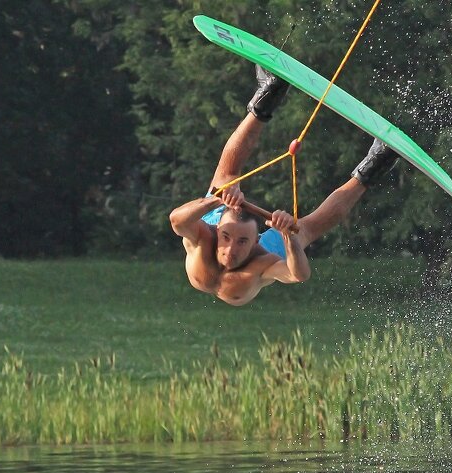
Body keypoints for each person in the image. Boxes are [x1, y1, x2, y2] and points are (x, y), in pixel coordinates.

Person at [169, 67, 398, 306]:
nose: (230, 250)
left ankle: (269, 92)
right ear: (217, 231)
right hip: (221, 214)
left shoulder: (261, 261)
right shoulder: (205, 237)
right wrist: (219, 200)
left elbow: (296, 275)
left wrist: (288, 239)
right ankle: (378, 161)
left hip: (241, 239)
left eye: (242, 242)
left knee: (234, 180)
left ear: (256, 242)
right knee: (303, 225)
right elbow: (177, 220)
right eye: (226, 237)